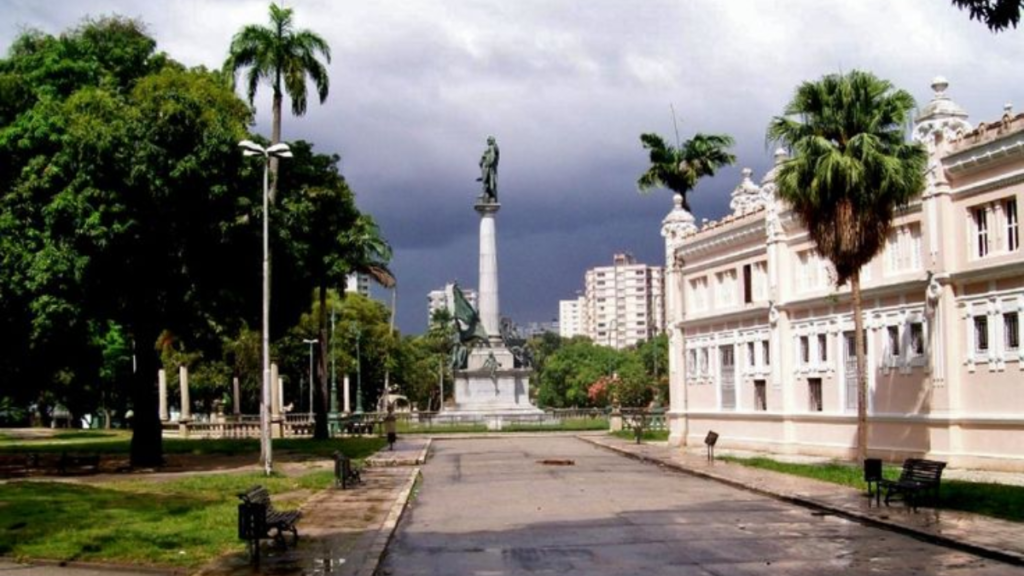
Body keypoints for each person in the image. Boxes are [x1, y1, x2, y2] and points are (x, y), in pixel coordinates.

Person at [477, 136, 499, 203]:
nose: (487, 142)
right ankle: (490, 196)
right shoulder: (493, 148)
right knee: (489, 184)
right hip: (489, 169)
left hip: (489, 170)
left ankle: (490, 196)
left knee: (489, 184)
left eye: (488, 140)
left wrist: (486, 163)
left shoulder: (491, 147)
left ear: (491, 141)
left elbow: (491, 158)